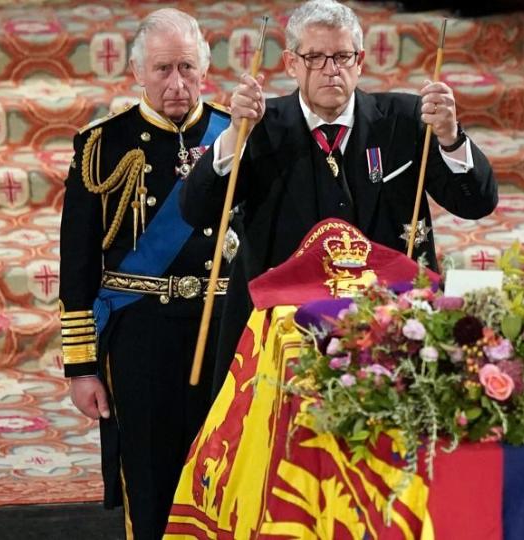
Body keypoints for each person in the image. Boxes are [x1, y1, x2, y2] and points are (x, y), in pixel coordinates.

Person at [181, 0, 498, 395]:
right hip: (282, 329)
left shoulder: (405, 120)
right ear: (291, 63)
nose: (331, 69)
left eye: (343, 56)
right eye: (315, 57)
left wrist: (450, 138)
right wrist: (233, 139)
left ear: (361, 60)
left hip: (390, 324)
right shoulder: (259, 126)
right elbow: (196, 210)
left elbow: (477, 203)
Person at [58, 8, 238, 539]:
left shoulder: (241, 134)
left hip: (226, 324)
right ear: (137, 72)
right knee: (152, 476)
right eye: (163, 70)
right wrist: (81, 367)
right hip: (142, 335)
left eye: (187, 67)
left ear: (205, 67)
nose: (177, 84)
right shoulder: (102, 147)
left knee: (229, 470)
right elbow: (79, 263)